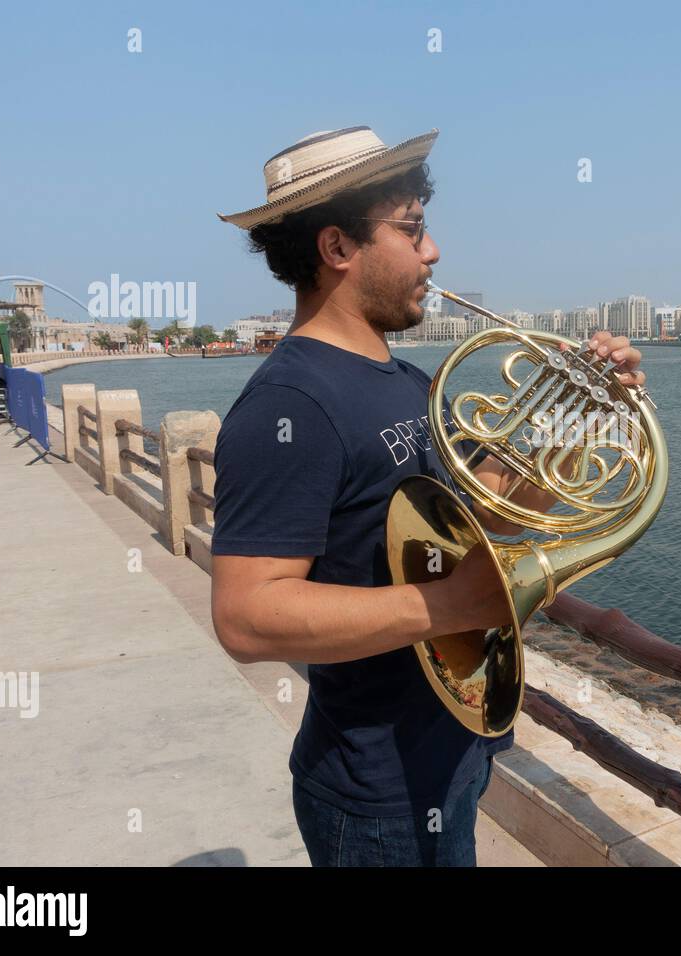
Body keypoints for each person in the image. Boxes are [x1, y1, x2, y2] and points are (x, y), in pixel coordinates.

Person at [210, 125, 644, 867]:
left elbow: (491, 512)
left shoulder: (406, 383)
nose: (433, 252)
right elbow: (246, 617)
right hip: (375, 792)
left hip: (450, 752)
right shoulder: (289, 406)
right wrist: (451, 606)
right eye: (411, 230)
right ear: (338, 248)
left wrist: (588, 412)